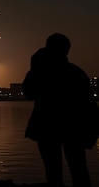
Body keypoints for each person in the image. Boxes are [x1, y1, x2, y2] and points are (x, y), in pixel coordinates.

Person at [22, 33, 99, 187]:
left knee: (53, 172)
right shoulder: (77, 73)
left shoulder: (41, 73)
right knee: (79, 170)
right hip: (73, 128)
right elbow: (90, 105)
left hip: (47, 128)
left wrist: (34, 67)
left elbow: (29, 93)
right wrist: (92, 132)